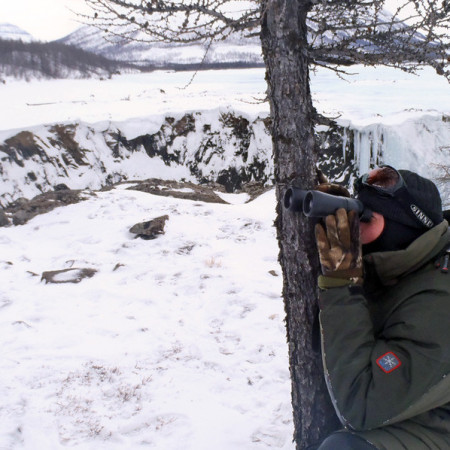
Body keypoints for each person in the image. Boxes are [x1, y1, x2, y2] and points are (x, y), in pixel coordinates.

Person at [314, 166, 450, 450]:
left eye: (364, 217)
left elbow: (359, 405)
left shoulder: (439, 304)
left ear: (402, 228)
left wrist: (341, 284)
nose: (354, 226)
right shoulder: (404, 261)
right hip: (404, 404)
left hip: (436, 427)